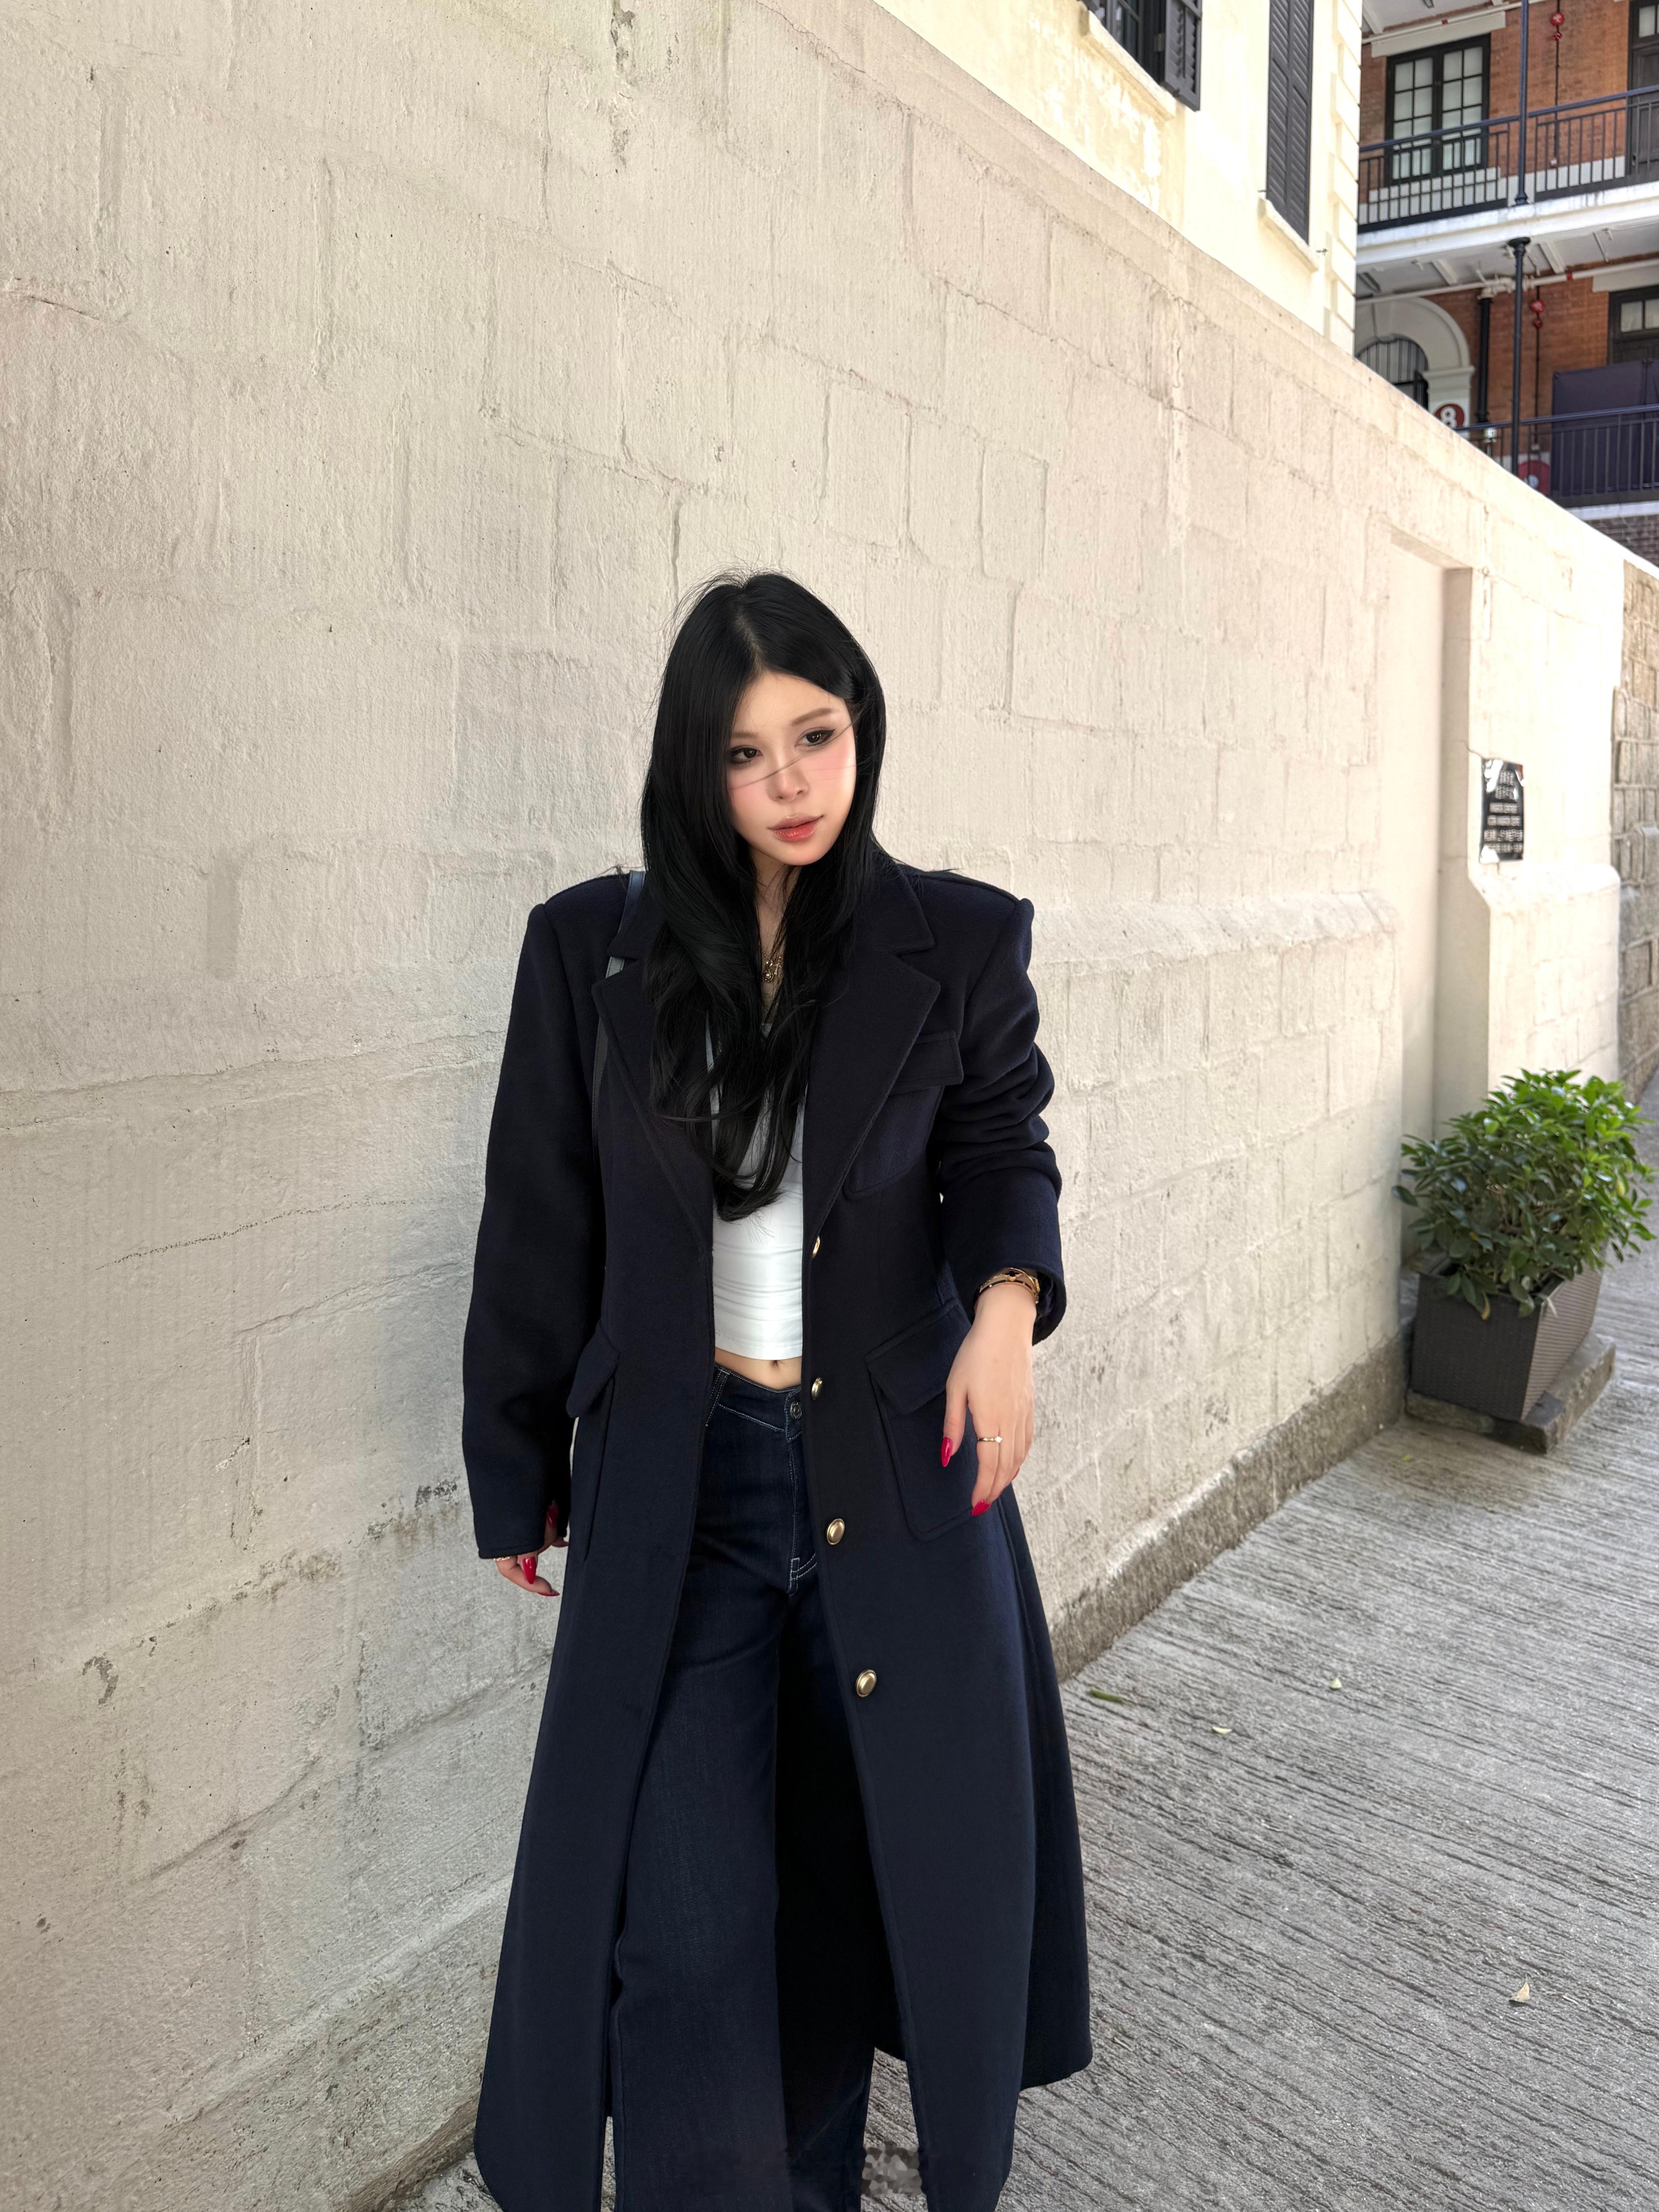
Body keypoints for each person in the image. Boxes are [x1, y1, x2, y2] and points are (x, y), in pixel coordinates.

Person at [460, 570, 1091, 2212]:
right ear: (696, 765)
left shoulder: (955, 937)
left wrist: (1005, 1306)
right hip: (684, 1491)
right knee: (685, 1928)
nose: (792, 781)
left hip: (894, 1474)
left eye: (816, 735)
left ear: (859, 724)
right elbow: (539, 1217)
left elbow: (1000, 1142)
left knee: (838, 1896)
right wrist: (514, 1462)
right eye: (746, 753)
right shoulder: (590, 950)